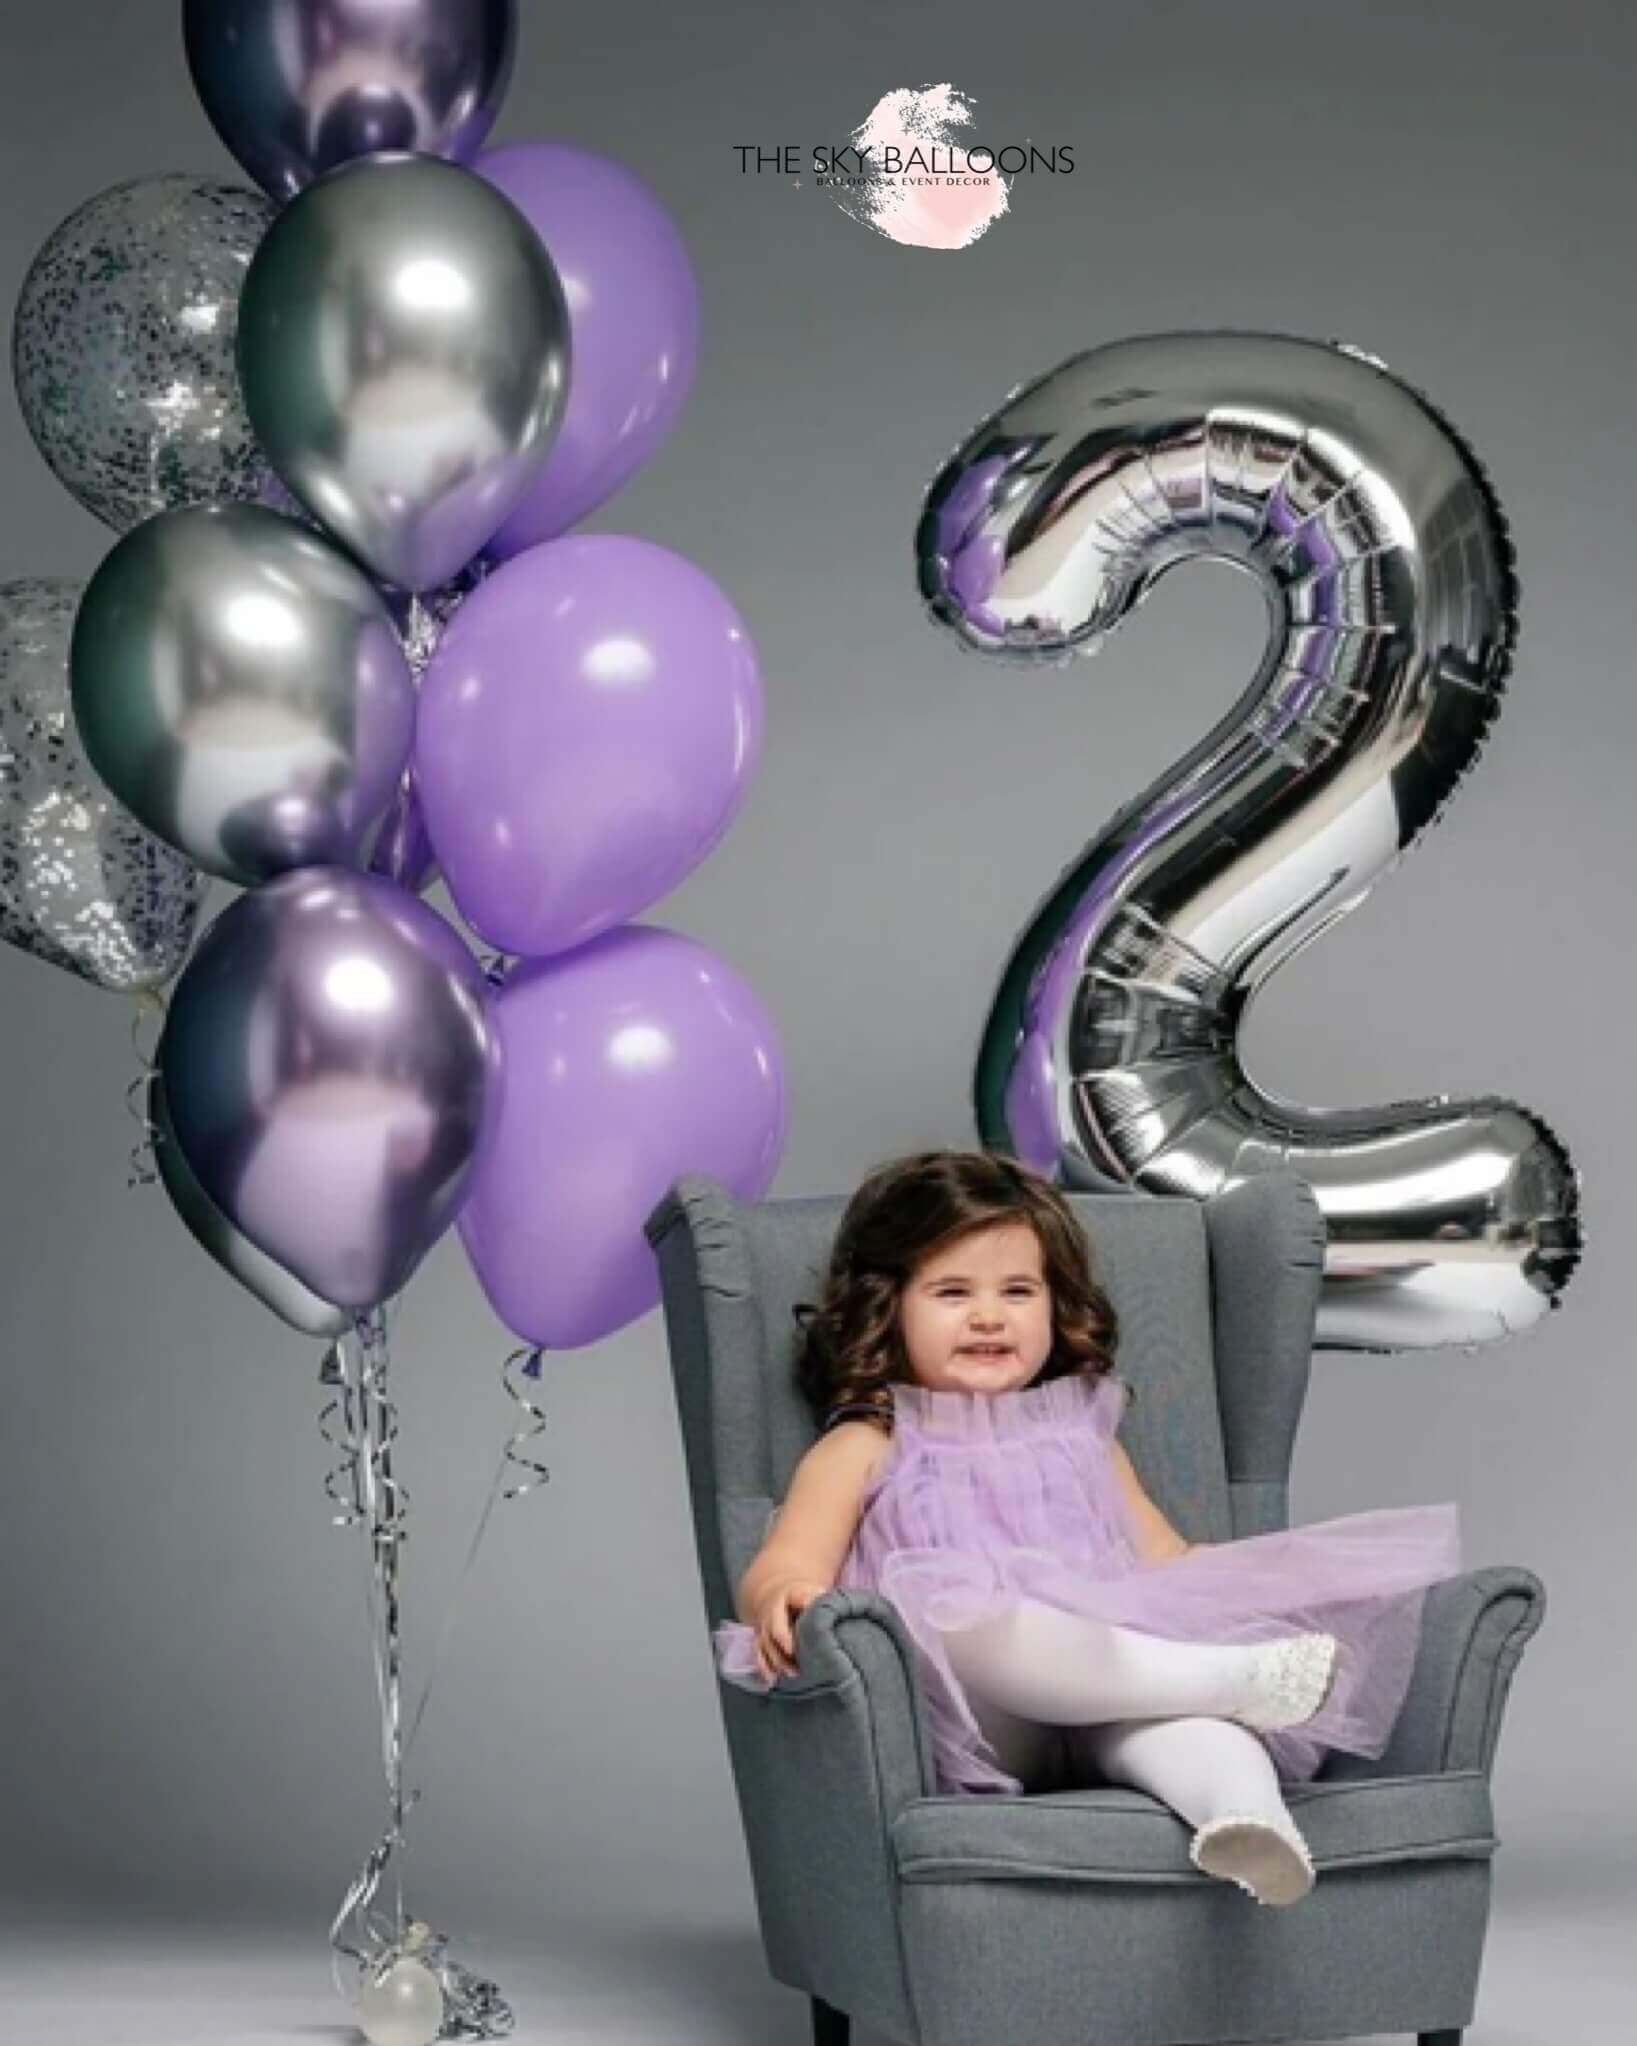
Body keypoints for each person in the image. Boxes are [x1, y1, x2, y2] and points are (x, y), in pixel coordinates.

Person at [714, 1150, 1464, 1908]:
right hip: (978, 1719)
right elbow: (783, 1562)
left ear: (1054, 1305)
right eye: (950, 1292)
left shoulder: (1081, 1434)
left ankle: (1247, 1823)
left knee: (1193, 1735)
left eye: (1017, 1290)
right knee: (967, 1613)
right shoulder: (867, 1443)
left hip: (1106, 1689)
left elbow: (1163, 1559)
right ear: (889, 1308)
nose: (988, 1315)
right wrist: (785, 1593)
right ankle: (1230, 1682)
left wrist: (1261, 1591)